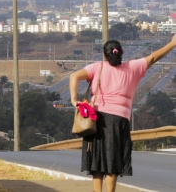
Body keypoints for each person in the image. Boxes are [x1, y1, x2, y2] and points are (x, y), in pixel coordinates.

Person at [69, 33, 176, 192]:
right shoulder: (133, 67)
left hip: (96, 118)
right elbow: (153, 57)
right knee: (114, 159)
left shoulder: (98, 67)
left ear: (104, 55)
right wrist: (172, 43)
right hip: (119, 120)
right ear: (122, 53)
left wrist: (74, 99)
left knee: (96, 159)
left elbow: (74, 76)